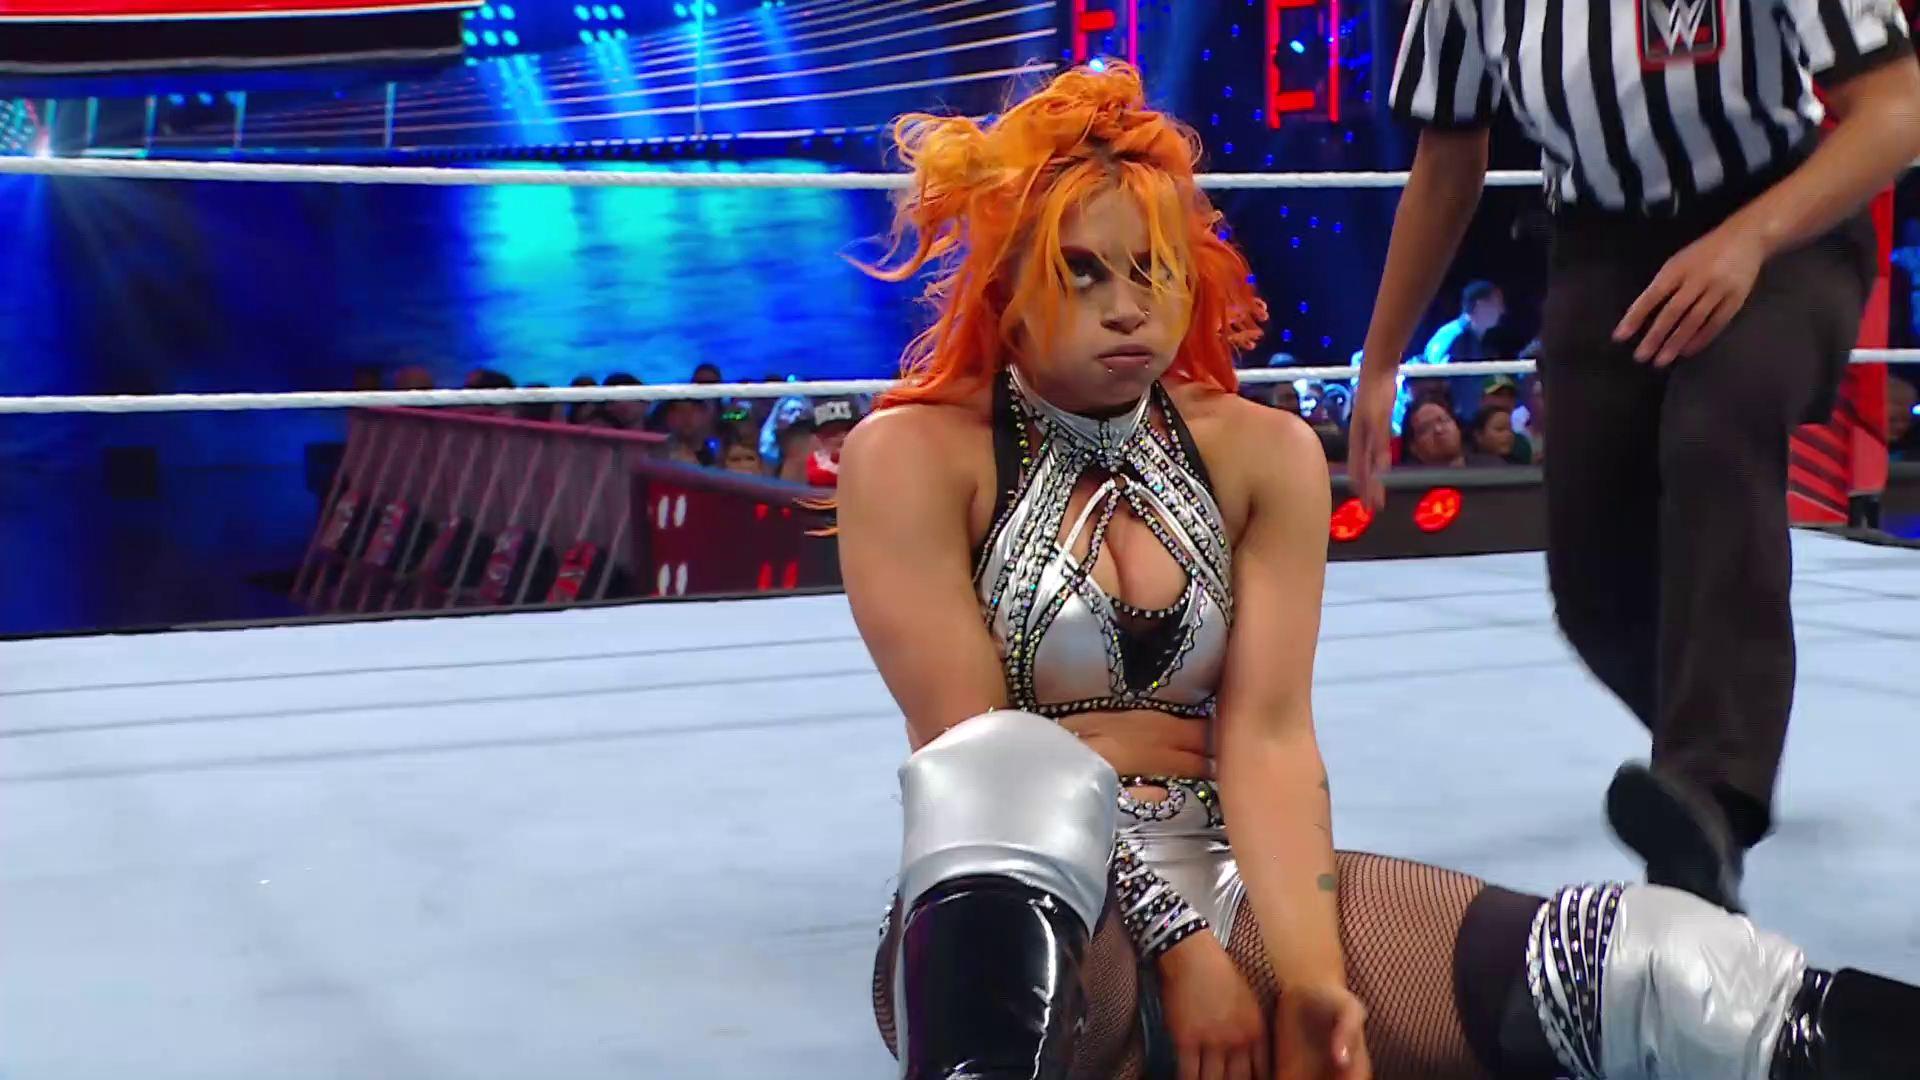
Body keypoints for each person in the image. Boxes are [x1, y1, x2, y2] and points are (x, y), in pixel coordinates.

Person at [835, 62, 1917, 1080]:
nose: (1129, 305)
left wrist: (1310, 980)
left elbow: (1269, 737)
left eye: (1154, 268)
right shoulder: (915, 457)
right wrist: (1181, 952)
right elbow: (971, 750)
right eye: (1083, 271)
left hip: (1226, 875)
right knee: (1010, 765)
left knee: (1667, 970)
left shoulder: (1261, 453)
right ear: (1006, 285)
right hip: (1025, 914)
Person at [1353, 0, 1920, 912]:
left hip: (1786, 219)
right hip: (1601, 248)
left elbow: (1896, 107)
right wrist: (1381, 359)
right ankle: (1720, 741)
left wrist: (1747, 239)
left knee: (1716, 424)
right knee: (1594, 590)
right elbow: (1449, 158)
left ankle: (1711, 799)